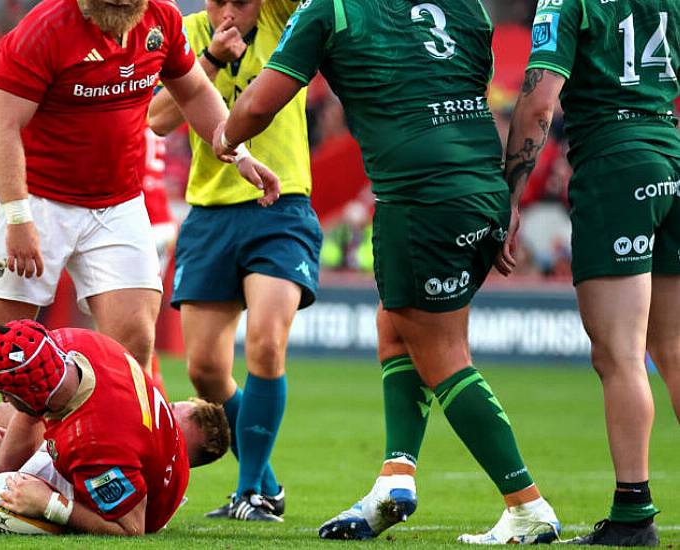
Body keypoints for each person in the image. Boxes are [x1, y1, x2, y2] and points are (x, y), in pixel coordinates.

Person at [215, 0, 562, 543]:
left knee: (444, 354)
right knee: (395, 328)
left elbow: (260, 104)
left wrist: (226, 137)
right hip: (481, 188)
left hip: (420, 198)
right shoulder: (466, 6)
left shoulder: (330, 9)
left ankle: (526, 503)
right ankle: (394, 479)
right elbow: (467, 85)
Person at [0, 0, 280, 408]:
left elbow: (195, 90)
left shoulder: (161, 20)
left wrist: (236, 150)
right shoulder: (42, 30)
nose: (120, 1)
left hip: (118, 205)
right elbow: (2, 125)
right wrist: (18, 216)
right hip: (39, 200)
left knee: (134, 341)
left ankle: (101, 459)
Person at [501, 0, 679, 545]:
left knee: (619, 353)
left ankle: (632, 513)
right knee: (671, 347)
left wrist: (509, 195)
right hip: (669, 156)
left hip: (615, 168)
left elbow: (539, 101)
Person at [146, 0, 320, 522]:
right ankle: (266, 486)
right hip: (209, 214)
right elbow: (156, 119)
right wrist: (212, 59)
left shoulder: (283, 20)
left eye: (239, 2)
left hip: (280, 206)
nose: (227, 11)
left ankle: (251, 493)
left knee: (266, 344)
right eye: (217, 0)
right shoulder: (189, 32)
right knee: (204, 371)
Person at [0, 320, 231, 535]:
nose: (3, 398)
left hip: (112, 491)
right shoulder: (72, 344)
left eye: (6, 392)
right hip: (103, 444)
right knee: (1, 429)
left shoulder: (96, 444)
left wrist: (52, 505)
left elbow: (131, 528)